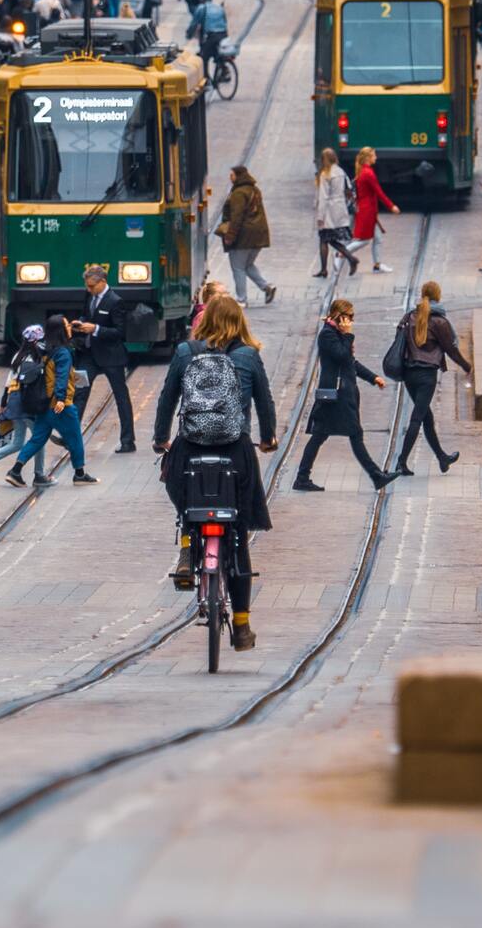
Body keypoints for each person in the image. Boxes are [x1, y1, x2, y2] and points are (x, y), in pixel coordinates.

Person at [152, 295, 277, 650]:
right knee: (236, 534)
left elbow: (166, 399)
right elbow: (265, 404)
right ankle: (241, 625)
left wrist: (161, 438)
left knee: (183, 498)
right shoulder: (248, 357)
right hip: (235, 453)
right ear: (240, 323)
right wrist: (267, 437)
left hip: (190, 450)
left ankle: (189, 547)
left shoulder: (184, 353)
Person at [294, 298, 395, 492]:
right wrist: (348, 336)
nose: (351, 321)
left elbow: (351, 363)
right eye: (349, 317)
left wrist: (373, 378)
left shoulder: (336, 334)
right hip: (337, 396)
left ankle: (302, 477)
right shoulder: (327, 335)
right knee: (352, 434)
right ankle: (376, 476)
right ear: (340, 316)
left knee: (320, 435)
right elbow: (342, 355)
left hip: (341, 394)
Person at [7, 314, 96, 486]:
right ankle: (79, 474)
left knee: (37, 439)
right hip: (60, 405)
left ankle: (15, 471)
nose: (70, 327)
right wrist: (62, 399)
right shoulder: (62, 352)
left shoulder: (45, 350)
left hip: (44, 403)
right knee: (75, 438)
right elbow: (61, 377)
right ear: (61, 331)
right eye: (66, 325)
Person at [394, 281, 472, 476]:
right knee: (417, 418)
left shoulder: (410, 316)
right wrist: (465, 365)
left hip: (409, 375)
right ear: (438, 296)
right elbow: (450, 349)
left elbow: (398, 339)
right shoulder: (439, 322)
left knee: (426, 418)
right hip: (427, 375)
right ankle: (401, 461)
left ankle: (442, 458)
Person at [0, 324, 51, 484]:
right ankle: (39, 474)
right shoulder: (35, 358)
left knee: (17, 442)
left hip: (14, 402)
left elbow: (9, 382)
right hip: (27, 403)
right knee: (39, 438)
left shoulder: (18, 356)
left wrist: (4, 404)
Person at [71, 263, 136, 451]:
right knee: (79, 393)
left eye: (91, 286)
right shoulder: (89, 296)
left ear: (102, 282)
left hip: (111, 357)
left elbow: (120, 332)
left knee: (120, 396)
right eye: (87, 286)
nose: (88, 289)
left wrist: (96, 329)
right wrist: (80, 323)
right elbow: (86, 315)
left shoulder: (115, 301)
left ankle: (128, 440)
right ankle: (71, 436)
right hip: (89, 354)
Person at [217, 165, 276, 305]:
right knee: (247, 265)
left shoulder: (238, 193)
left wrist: (230, 235)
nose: (230, 178)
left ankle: (241, 299)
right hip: (258, 235)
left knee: (238, 267)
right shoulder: (255, 190)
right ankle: (266, 287)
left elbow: (236, 217)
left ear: (238, 176)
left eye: (232, 175)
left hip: (244, 236)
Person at [349, 148, 398, 274]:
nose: (376, 157)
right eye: (374, 155)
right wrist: (391, 206)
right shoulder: (368, 173)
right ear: (367, 158)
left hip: (368, 209)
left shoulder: (364, 171)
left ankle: (377, 265)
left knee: (378, 238)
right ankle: (342, 252)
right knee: (364, 240)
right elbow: (379, 192)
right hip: (367, 211)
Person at [313, 148, 356, 278]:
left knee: (324, 239)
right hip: (340, 209)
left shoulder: (325, 174)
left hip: (328, 212)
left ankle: (325, 268)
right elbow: (348, 189)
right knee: (329, 239)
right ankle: (349, 258)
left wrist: (320, 216)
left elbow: (323, 196)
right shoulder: (341, 171)